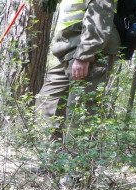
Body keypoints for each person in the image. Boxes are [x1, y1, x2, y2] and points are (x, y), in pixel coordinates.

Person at [36, 0, 121, 140]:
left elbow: (100, 11)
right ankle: (50, 156)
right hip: (69, 46)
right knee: (47, 100)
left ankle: (77, 158)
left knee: (80, 111)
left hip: (88, 46)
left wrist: (85, 55)